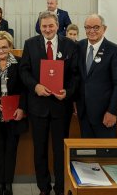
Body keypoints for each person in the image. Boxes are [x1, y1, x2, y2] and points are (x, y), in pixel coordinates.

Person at [20, 11, 79, 195]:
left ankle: (61, 188)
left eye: (50, 26)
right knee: (40, 150)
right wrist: (35, 86)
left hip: (61, 107)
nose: (47, 29)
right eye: (44, 26)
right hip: (38, 106)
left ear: (57, 25)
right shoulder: (30, 44)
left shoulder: (70, 45)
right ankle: (44, 188)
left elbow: (76, 74)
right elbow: (24, 71)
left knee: (60, 151)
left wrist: (68, 92)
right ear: (40, 26)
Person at [0, 31, 28, 195]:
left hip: (15, 114)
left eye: (4, 47)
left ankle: (8, 184)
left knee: (11, 150)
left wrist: (21, 108)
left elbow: (25, 88)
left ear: (10, 47)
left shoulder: (20, 63)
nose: (1, 51)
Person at [75, 14, 117, 138]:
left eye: (96, 27)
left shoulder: (115, 51)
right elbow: (76, 77)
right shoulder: (78, 47)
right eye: (88, 27)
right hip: (83, 113)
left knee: (106, 154)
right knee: (87, 153)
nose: (91, 31)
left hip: (105, 114)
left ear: (104, 28)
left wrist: (113, 112)